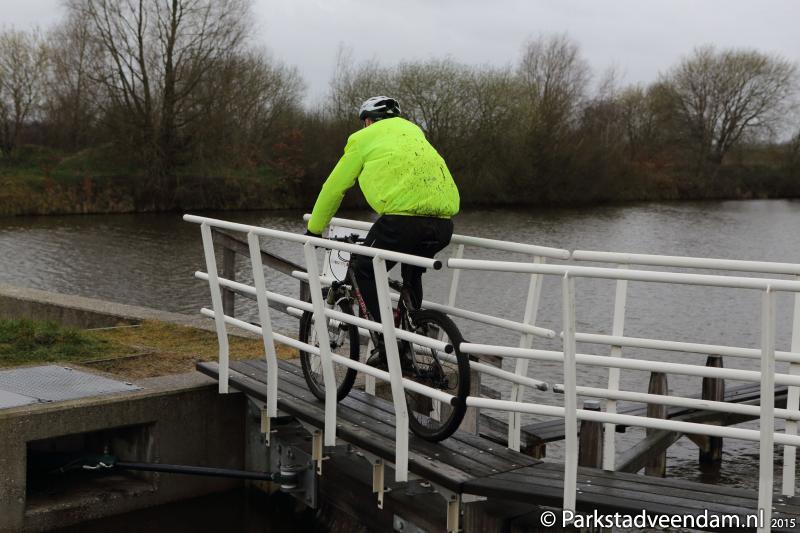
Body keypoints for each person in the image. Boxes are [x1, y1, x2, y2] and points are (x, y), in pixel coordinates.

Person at [306, 96, 459, 360]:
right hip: (443, 224)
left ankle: (387, 347)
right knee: (412, 273)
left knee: (364, 268)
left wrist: (314, 228)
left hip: (402, 223)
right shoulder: (414, 134)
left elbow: (334, 188)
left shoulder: (362, 139)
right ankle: (412, 330)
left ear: (368, 121)